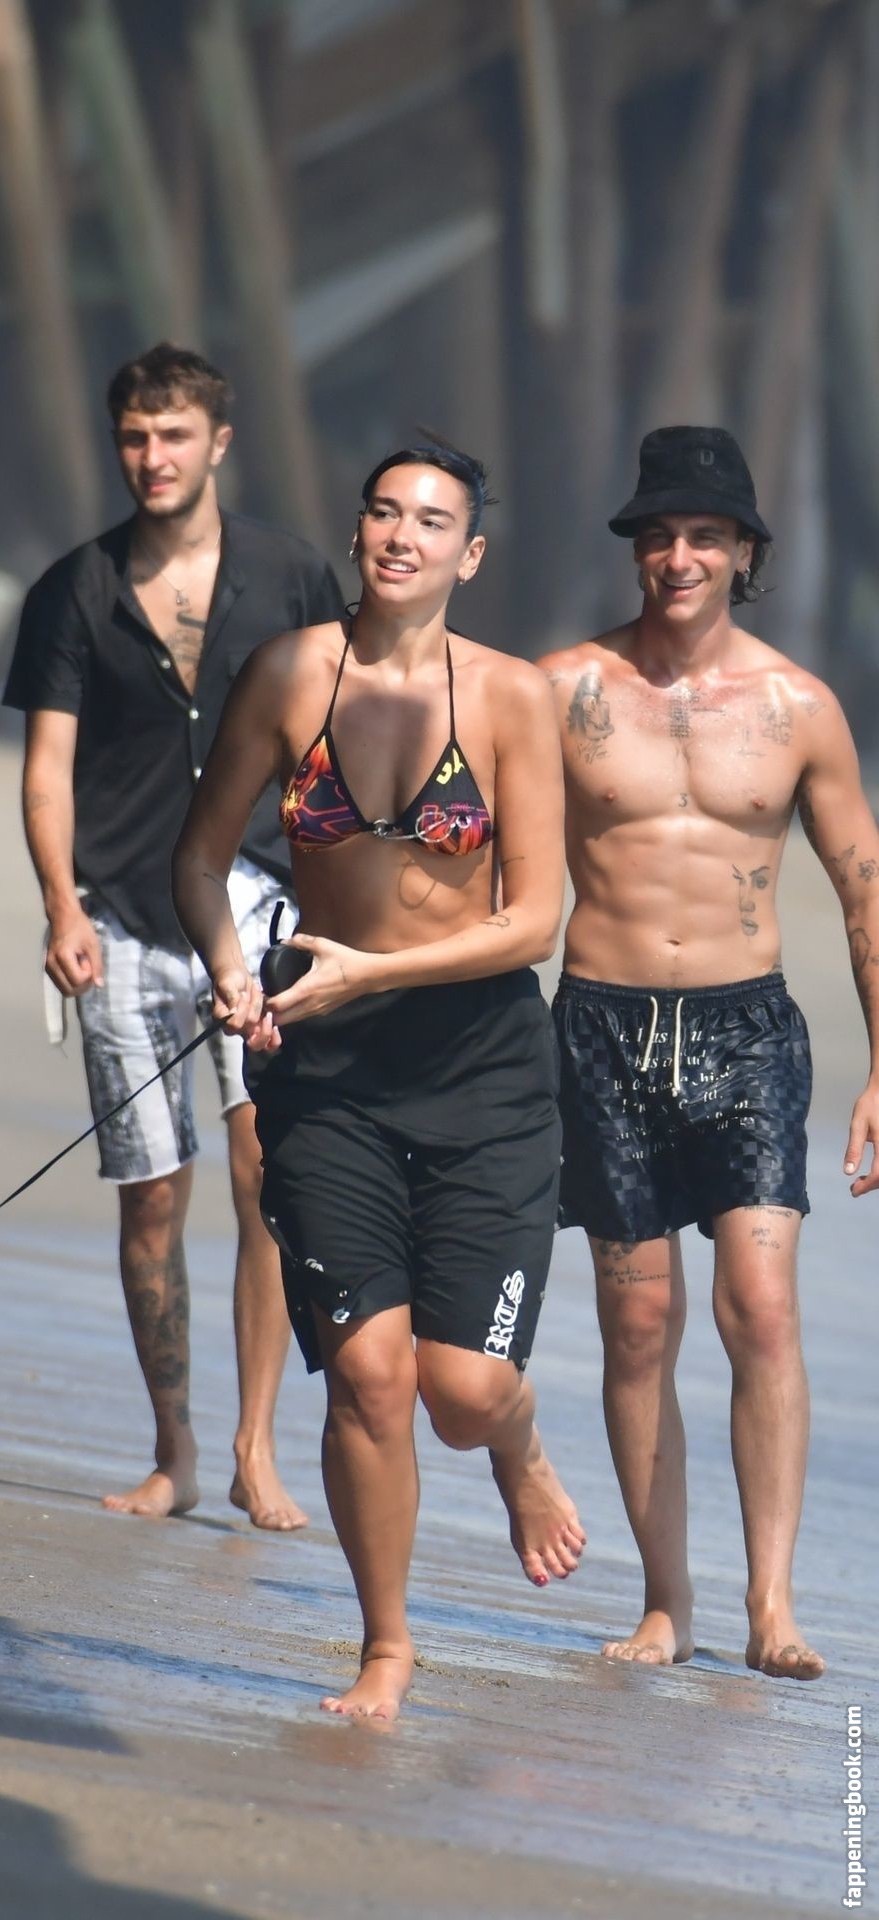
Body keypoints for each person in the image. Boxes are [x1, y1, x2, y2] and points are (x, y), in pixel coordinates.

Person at [173, 441, 585, 1721]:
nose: (402, 536)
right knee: (367, 1375)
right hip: (326, 1072)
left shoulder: (511, 697)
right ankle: (385, 1649)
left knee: (461, 1393)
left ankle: (516, 1440)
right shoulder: (289, 673)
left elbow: (534, 921)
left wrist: (374, 973)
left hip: (482, 1072)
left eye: (432, 521)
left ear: (471, 553)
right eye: (383, 512)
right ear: (356, 533)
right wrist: (232, 969)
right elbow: (198, 862)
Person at [540, 425, 879, 1682]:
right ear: (635, 548)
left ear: (743, 551)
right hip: (600, 1027)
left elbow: (862, 892)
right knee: (636, 1325)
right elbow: (465, 839)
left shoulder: (797, 709)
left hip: (745, 1034)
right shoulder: (561, 688)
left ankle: (771, 1605)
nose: (677, 557)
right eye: (658, 535)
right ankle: (664, 1604)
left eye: (702, 536)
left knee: (761, 1307)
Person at [3, 342, 344, 1528]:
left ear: (218, 444)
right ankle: (176, 1451)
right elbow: (45, 771)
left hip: (256, 907)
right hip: (122, 916)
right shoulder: (74, 590)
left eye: (174, 435)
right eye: (134, 437)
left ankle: (254, 1446)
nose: (152, 456)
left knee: (263, 1179)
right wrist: (58, 904)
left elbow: (335, 744)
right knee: (149, 1198)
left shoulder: (291, 576)